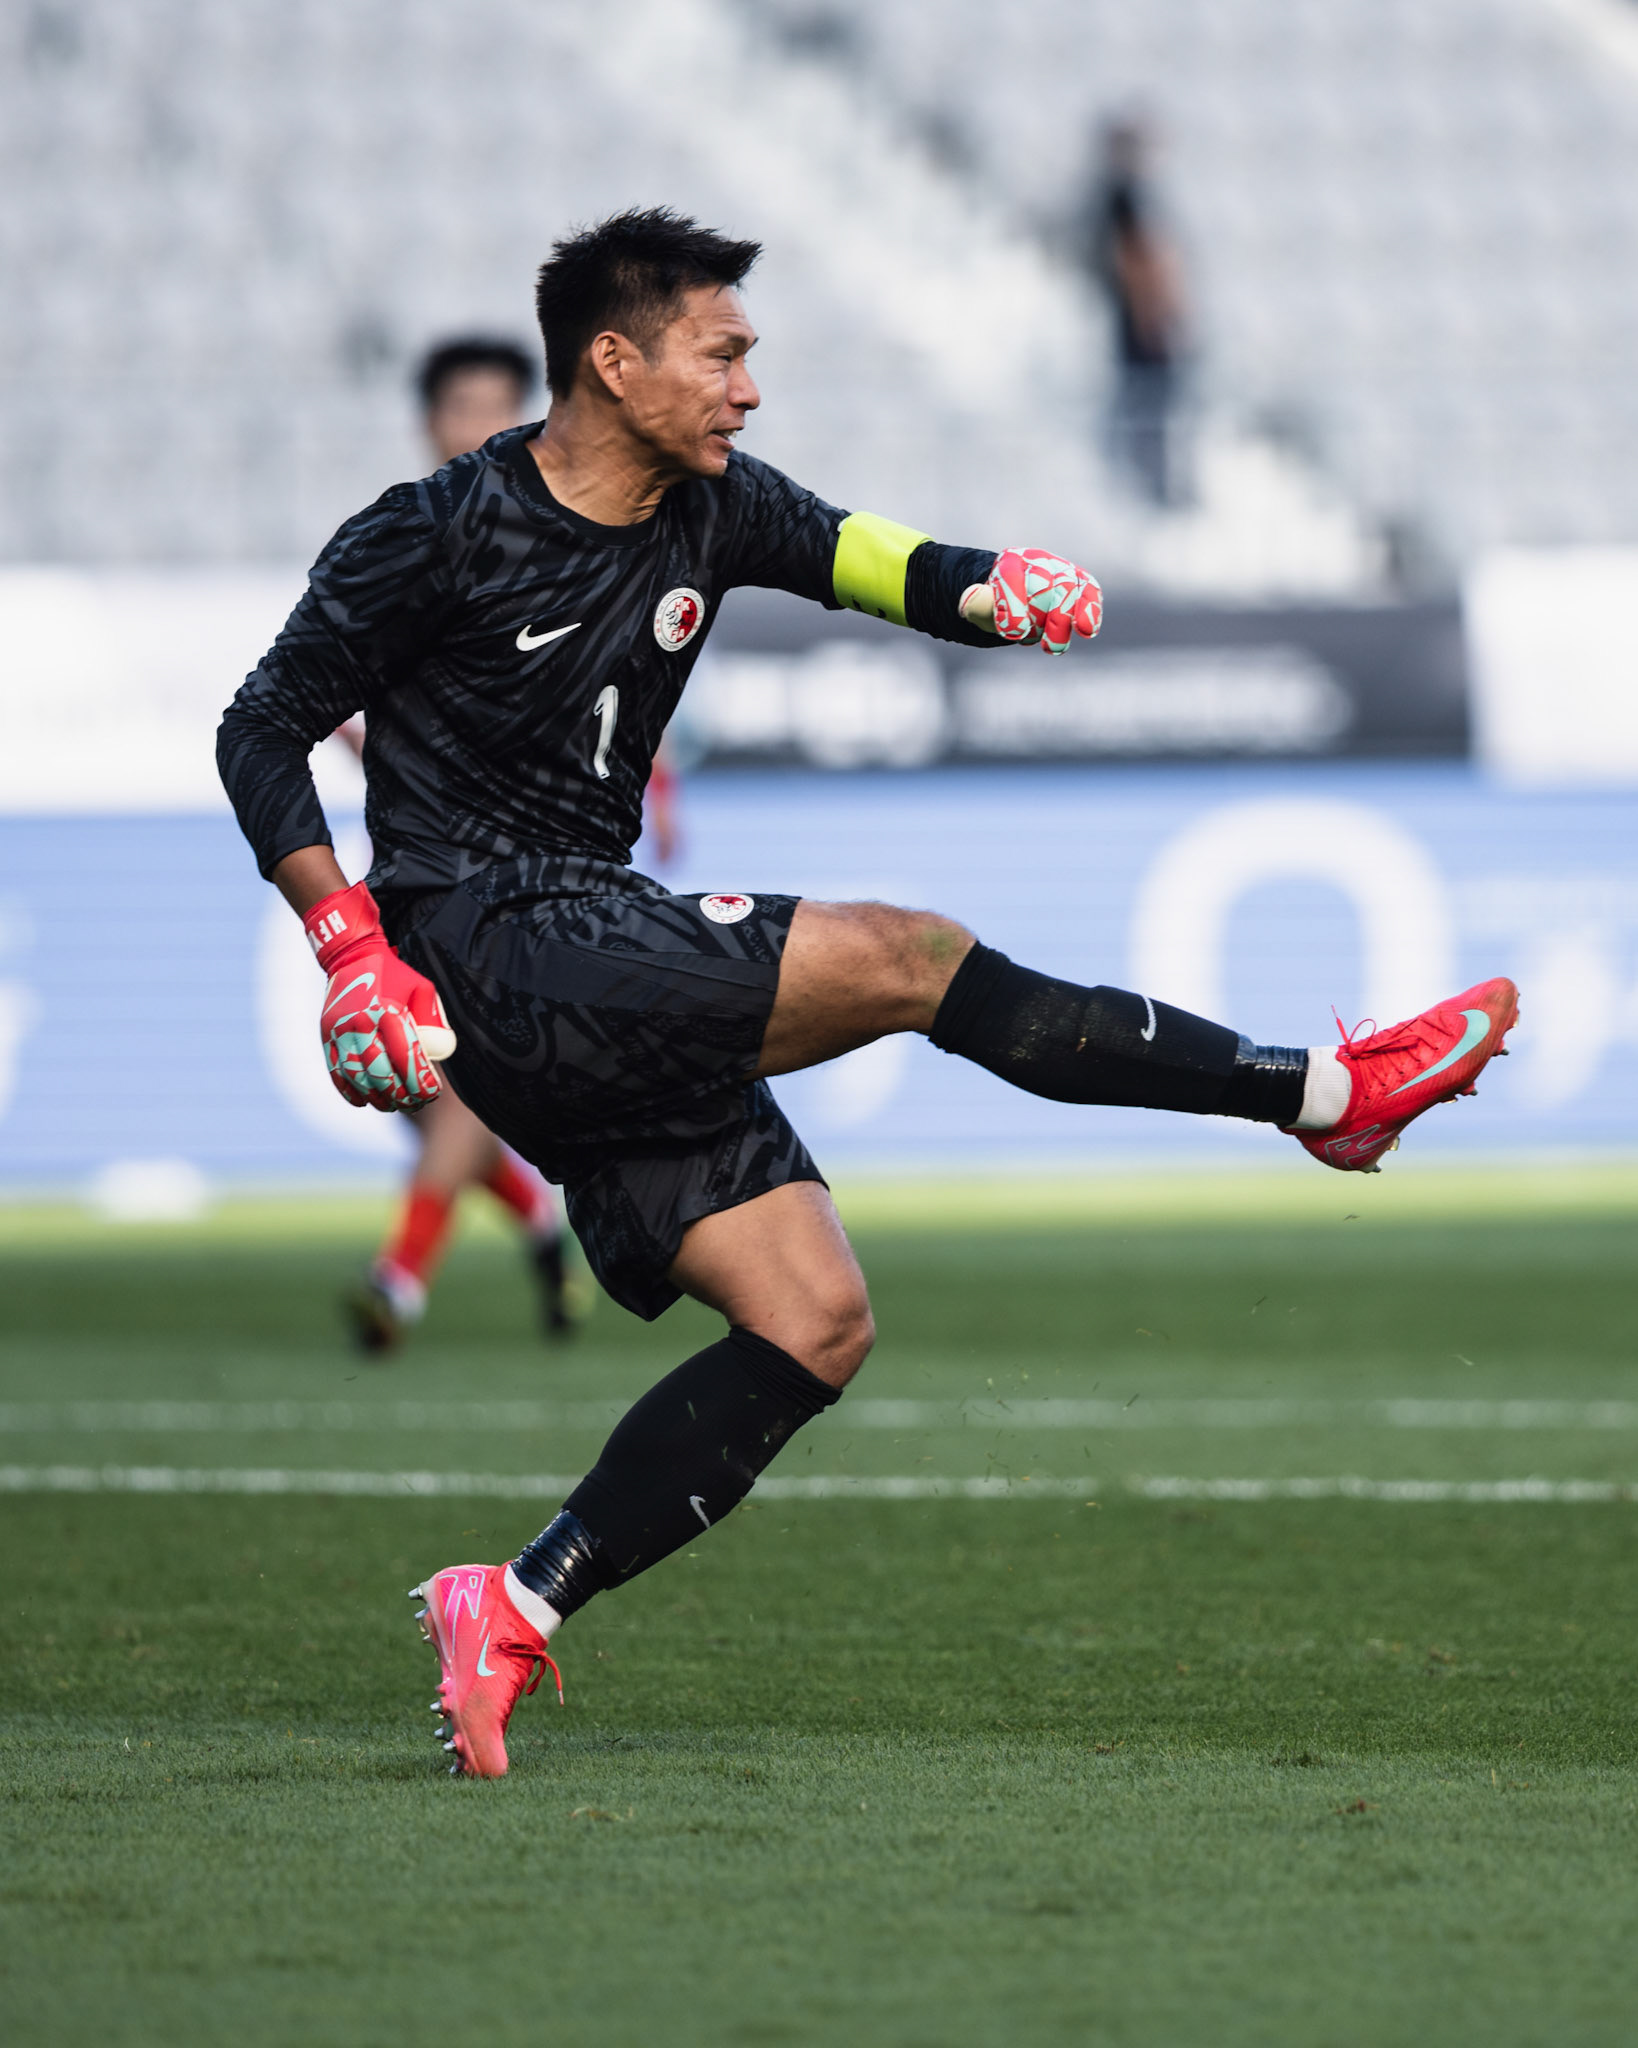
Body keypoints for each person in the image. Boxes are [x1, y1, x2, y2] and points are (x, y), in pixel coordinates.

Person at [217, 207, 1517, 1778]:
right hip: (487, 935)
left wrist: (997, 592)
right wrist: (346, 943)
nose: (749, 386)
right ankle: (1322, 1094)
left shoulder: (715, 506)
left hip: (591, 941)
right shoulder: (432, 528)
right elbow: (260, 729)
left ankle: (516, 1601)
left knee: (814, 1321)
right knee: (910, 957)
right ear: (614, 364)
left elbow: (866, 558)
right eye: (725, 351)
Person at [340, 337, 577, 1350]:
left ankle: (398, 1282)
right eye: (461, 405)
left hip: (521, 884)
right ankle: (540, 1220)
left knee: (453, 1098)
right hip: (409, 876)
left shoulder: (568, 549)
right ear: (429, 423)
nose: (478, 422)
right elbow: (329, 690)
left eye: (499, 403)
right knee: (415, 1088)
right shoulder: (395, 546)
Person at [1084, 118, 1189, 507]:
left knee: (1150, 416)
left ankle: (1153, 490)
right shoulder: (1122, 197)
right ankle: (1151, 494)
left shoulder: (1128, 196)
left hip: (1140, 329)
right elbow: (1135, 260)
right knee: (1146, 417)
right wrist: (1156, 317)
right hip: (1140, 331)